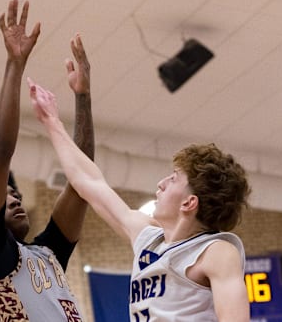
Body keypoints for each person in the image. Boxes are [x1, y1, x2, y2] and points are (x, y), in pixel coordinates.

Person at [28, 81, 252, 322]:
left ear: (189, 203)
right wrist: (52, 122)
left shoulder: (216, 252)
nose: (161, 184)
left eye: (174, 179)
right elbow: (89, 182)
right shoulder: (147, 238)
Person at [0, 0, 94, 321]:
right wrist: (15, 65)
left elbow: (82, 182)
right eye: (6, 195)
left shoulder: (47, 253)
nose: (14, 198)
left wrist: (82, 97)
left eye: (16, 193)